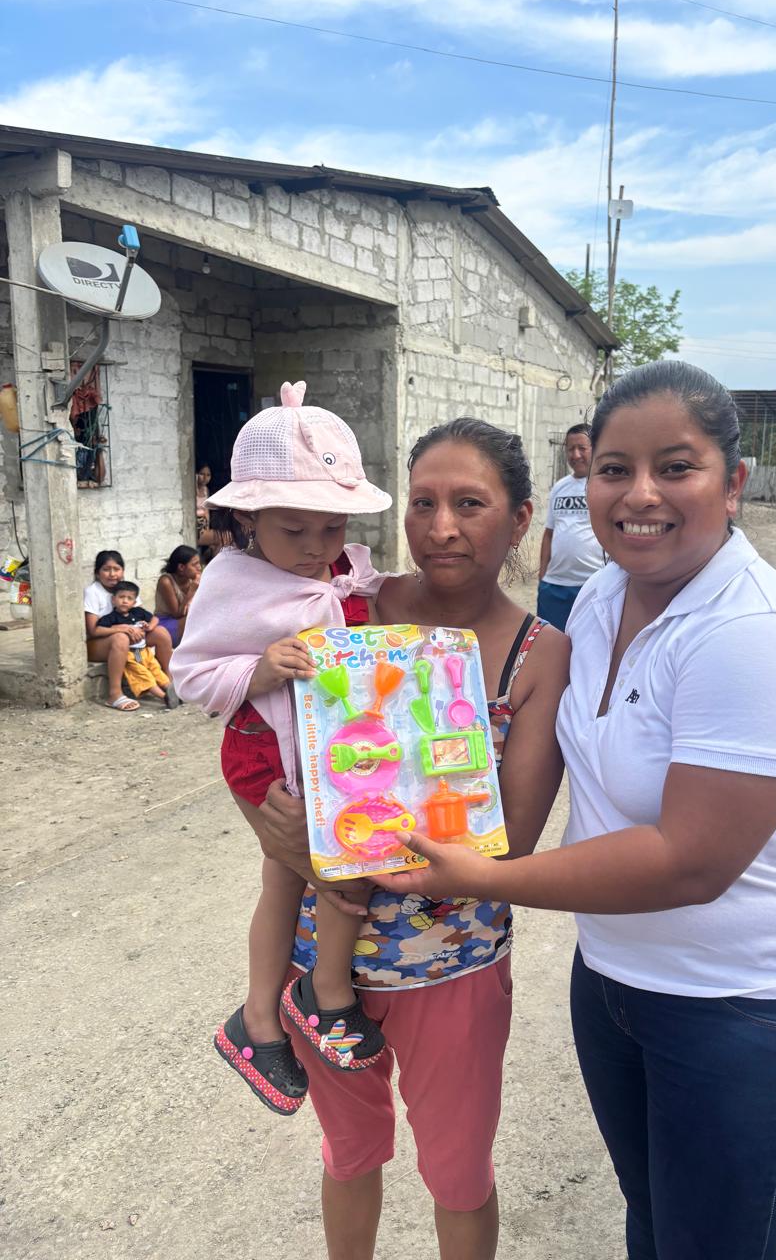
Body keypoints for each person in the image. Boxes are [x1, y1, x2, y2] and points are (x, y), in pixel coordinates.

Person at [376, 363, 776, 1260]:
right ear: (585, 479)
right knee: (653, 1225)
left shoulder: (757, 635)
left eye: (675, 467)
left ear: (733, 483)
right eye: (614, 469)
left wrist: (485, 877)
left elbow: (689, 859)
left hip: (746, 1012)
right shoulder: (604, 597)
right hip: (614, 985)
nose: (640, 494)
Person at [239, 417, 569, 1260]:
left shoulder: (539, 655)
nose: (442, 527)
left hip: (452, 967)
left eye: (470, 504)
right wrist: (283, 835)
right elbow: (259, 734)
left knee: (458, 1175)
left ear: (521, 519)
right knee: (348, 1155)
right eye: (423, 503)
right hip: (324, 973)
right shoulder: (346, 604)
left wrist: (350, 851)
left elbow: (510, 847)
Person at [171, 381, 394, 1114]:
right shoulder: (234, 582)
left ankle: (257, 1016)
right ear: (247, 517)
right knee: (343, 877)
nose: (315, 547)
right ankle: (324, 994)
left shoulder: (344, 570)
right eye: (293, 529)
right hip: (267, 760)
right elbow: (190, 674)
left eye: (331, 527)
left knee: (284, 879)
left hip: (330, 756)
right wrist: (259, 669)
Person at [84, 549, 174, 711]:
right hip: (98, 645)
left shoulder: (127, 589)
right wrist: (122, 629)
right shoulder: (93, 592)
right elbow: (93, 631)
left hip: (131, 642)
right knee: (121, 638)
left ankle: (170, 682)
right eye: (106, 569)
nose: (112, 574)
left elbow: (141, 616)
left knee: (160, 633)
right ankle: (114, 694)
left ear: (123, 571)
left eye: (116, 569)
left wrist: (143, 628)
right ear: (97, 573)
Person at [537, 423, 604, 631]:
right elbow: (549, 533)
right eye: (570, 449)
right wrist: (542, 576)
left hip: (592, 584)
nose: (575, 455)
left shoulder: (604, 485)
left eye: (582, 448)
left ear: (595, 449)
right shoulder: (559, 487)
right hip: (554, 585)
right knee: (550, 641)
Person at [97, 580, 179, 706]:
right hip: (129, 655)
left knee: (155, 669)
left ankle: (170, 689)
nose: (125, 601)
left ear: (134, 602)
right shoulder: (111, 618)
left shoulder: (138, 612)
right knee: (143, 675)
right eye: (121, 597)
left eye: (129, 598)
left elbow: (155, 618)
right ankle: (164, 697)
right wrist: (119, 628)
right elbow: (99, 629)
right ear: (113, 599)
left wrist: (150, 627)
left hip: (144, 651)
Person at [155, 545, 202, 645]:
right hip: (164, 624)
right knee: (196, 619)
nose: (199, 567)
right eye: (195, 564)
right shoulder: (166, 581)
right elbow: (176, 614)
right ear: (181, 567)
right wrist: (191, 591)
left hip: (184, 620)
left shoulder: (193, 579)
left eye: (199, 563)